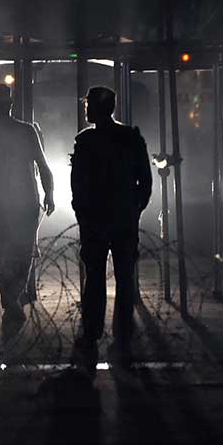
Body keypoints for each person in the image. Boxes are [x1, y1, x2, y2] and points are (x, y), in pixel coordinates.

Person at [70, 86, 153, 371]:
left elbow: (77, 183)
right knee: (124, 277)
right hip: (123, 219)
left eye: (88, 105)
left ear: (96, 108)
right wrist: (134, 209)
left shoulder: (86, 141)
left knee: (94, 277)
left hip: (95, 220)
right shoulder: (130, 137)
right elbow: (145, 180)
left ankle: (92, 332)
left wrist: (82, 212)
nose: (86, 109)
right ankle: (123, 333)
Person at [0, 83, 55, 326]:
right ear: (11, 105)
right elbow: (43, 166)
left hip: (0, 202)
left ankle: (10, 299)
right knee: (22, 253)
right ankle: (13, 299)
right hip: (26, 200)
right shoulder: (26, 131)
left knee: (4, 253)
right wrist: (49, 193)